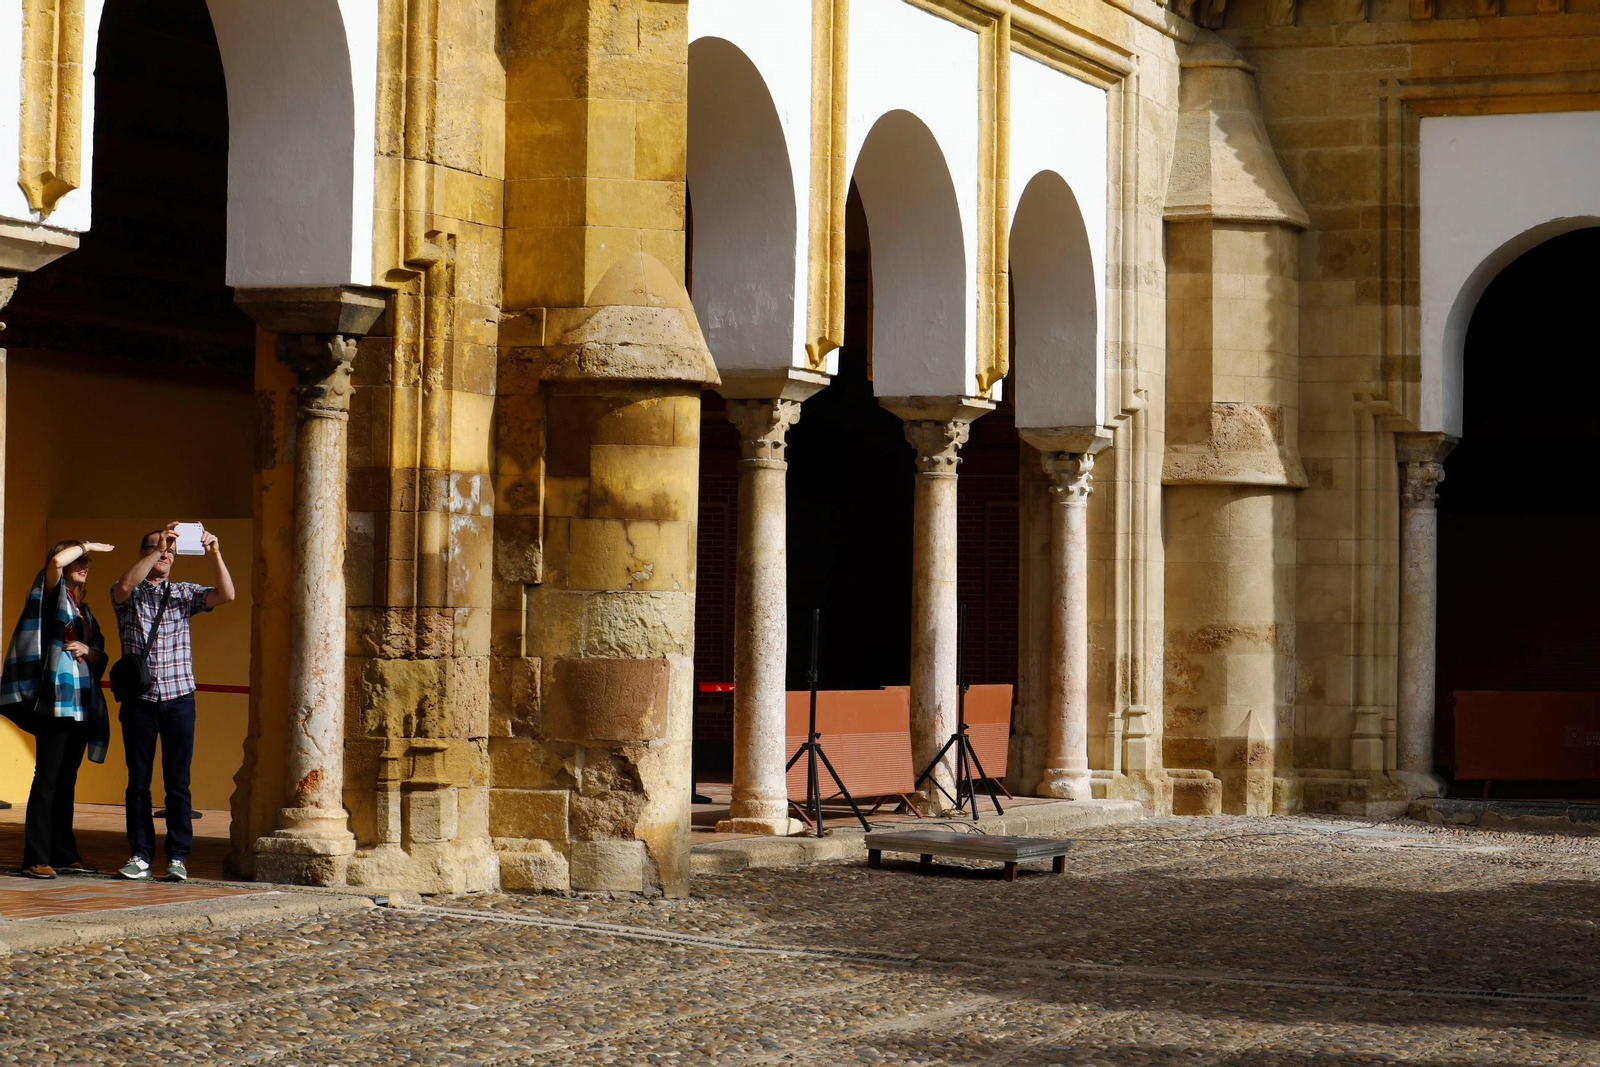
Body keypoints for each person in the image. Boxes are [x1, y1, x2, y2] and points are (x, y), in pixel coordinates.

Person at [111, 522, 235, 882]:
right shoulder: (128, 595)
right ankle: (140, 854)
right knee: (138, 781)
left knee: (178, 783)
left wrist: (215, 552)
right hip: (140, 700)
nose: (166, 552)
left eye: (170, 550)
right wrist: (156, 547)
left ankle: (178, 857)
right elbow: (123, 586)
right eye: (158, 547)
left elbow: (226, 594)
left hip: (180, 697)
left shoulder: (183, 592)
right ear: (144, 552)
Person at [0, 540, 115, 878]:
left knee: (67, 780)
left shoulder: (84, 610)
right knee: (47, 779)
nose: (85, 563)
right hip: (54, 702)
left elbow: (98, 654)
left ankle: (64, 852)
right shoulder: (51, 597)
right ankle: (35, 857)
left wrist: (88, 650)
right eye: (79, 559)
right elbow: (53, 565)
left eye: (88, 560)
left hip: (80, 702)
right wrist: (85, 543)